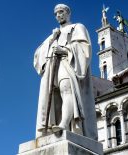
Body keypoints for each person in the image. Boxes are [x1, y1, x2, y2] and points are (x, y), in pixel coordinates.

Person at [33, 4, 97, 140]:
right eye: (55, 14)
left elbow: (84, 47)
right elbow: (38, 56)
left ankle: (63, 124)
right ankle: (52, 127)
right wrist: (52, 39)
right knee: (55, 99)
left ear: (68, 13)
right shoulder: (54, 34)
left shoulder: (77, 27)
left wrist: (66, 50)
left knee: (67, 90)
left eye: (61, 12)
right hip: (52, 67)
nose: (58, 15)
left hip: (67, 63)